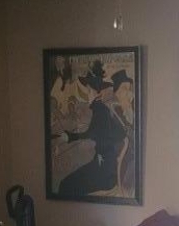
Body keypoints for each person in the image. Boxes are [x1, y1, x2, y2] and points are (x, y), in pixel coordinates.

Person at [54, 60, 129, 197]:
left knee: (65, 185)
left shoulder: (100, 110)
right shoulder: (102, 109)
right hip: (104, 165)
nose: (88, 94)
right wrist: (70, 136)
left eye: (89, 90)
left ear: (96, 93)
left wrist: (70, 136)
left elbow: (92, 133)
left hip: (103, 170)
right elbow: (98, 133)